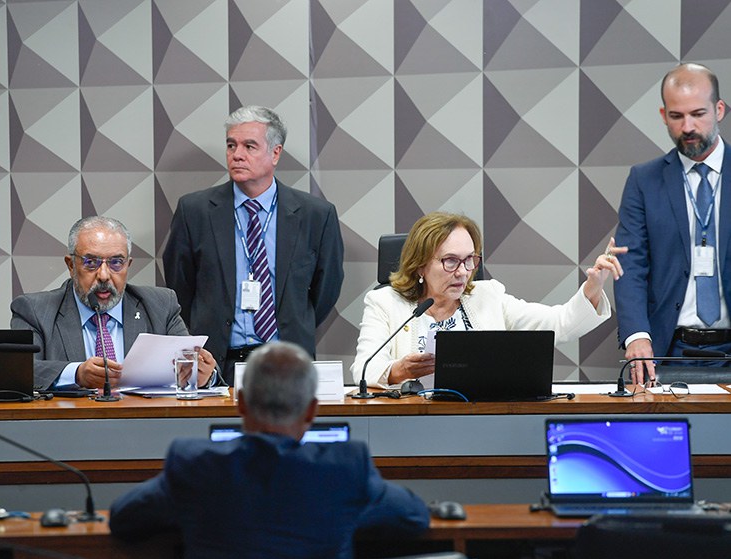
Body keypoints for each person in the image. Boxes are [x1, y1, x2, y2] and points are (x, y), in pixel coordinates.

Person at [109, 341, 429, 559]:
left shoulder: (194, 463)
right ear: (311, 411)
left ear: (242, 404)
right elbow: (415, 517)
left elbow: (123, 519)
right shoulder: (346, 466)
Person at [162, 105, 344, 384]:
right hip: (216, 364)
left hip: (288, 362)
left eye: (249, 146)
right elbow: (180, 286)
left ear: (275, 153)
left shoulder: (315, 215)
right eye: (231, 145)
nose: (237, 155)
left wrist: (293, 320)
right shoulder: (195, 211)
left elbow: (325, 290)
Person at [352, 212, 625, 388]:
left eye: (469, 260)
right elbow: (364, 370)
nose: (463, 271)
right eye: (450, 261)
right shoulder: (385, 303)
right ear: (421, 265)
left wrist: (593, 285)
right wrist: (399, 371)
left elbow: (560, 324)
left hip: (479, 419)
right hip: (410, 424)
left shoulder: (488, 296)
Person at [615, 63, 731, 386]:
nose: (688, 126)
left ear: (719, 109)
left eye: (698, 114)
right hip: (669, 351)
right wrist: (637, 335)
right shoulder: (644, 181)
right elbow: (630, 264)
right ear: (664, 115)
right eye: (677, 116)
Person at [11, 216, 217, 391]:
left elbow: (191, 362)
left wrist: (205, 376)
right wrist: (77, 374)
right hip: (68, 429)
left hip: (145, 428)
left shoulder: (160, 306)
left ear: (128, 265)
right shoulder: (35, 310)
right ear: (71, 265)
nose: (103, 275)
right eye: (91, 263)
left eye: (116, 263)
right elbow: (19, 371)